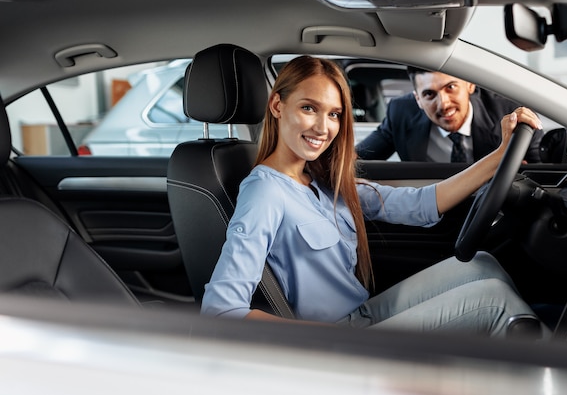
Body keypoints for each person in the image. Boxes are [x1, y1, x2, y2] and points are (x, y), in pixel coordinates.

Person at [201, 56, 545, 337]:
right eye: (309, 108)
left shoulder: (322, 180)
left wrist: (500, 155)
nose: (323, 128)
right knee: (495, 301)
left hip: (362, 313)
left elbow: (419, 205)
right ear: (278, 105)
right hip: (339, 337)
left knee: (482, 264)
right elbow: (222, 310)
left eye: (334, 114)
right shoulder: (265, 191)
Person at [355, 67, 543, 163]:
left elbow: (540, 172)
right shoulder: (400, 112)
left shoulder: (510, 113)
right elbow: (357, 159)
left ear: (470, 85)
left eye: (451, 87)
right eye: (429, 94)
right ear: (418, 100)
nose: (443, 104)